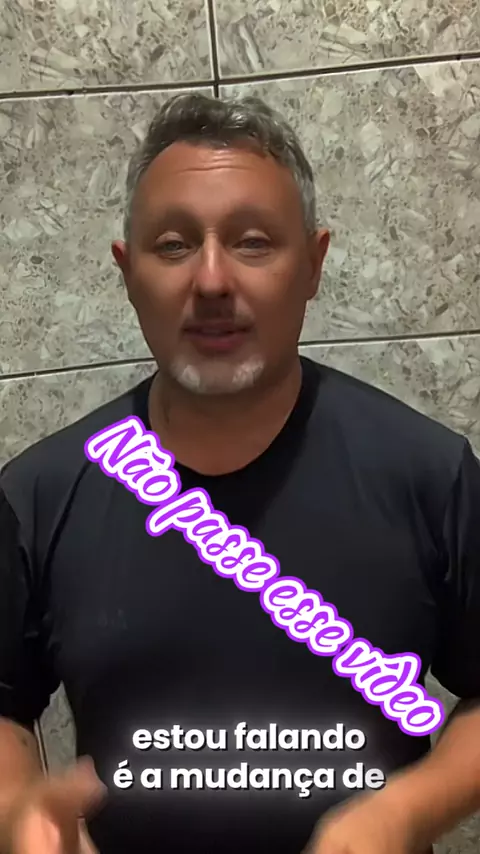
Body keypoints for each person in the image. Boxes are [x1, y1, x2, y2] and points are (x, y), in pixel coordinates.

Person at [0, 91, 479, 854]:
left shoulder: (428, 474)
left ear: (314, 264)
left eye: (254, 242)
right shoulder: (38, 495)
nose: (213, 280)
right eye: (173, 245)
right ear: (126, 272)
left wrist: (405, 813)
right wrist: (21, 816)